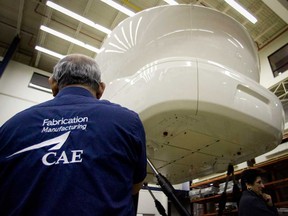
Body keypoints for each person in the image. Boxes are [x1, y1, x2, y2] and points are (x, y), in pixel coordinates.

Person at [0, 54, 147, 216]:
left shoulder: (12, 127)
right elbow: (135, 186)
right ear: (101, 88)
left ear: (53, 83)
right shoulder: (127, 121)